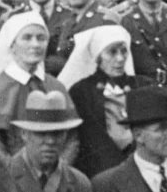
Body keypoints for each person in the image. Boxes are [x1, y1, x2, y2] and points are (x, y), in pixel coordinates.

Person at [62, 24, 148, 179]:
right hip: (100, 169)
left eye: (123, 51)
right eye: (112, 52)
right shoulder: (81, 91)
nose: (120, 58)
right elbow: (91, 137)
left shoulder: (142, 85)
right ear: (98, 56)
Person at [0, 10, 64, 153]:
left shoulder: (55, 85)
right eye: (27, 38)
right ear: (12, 45)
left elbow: (70, 138)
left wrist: (60, 169)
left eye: (41, 38)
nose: (35, 44)